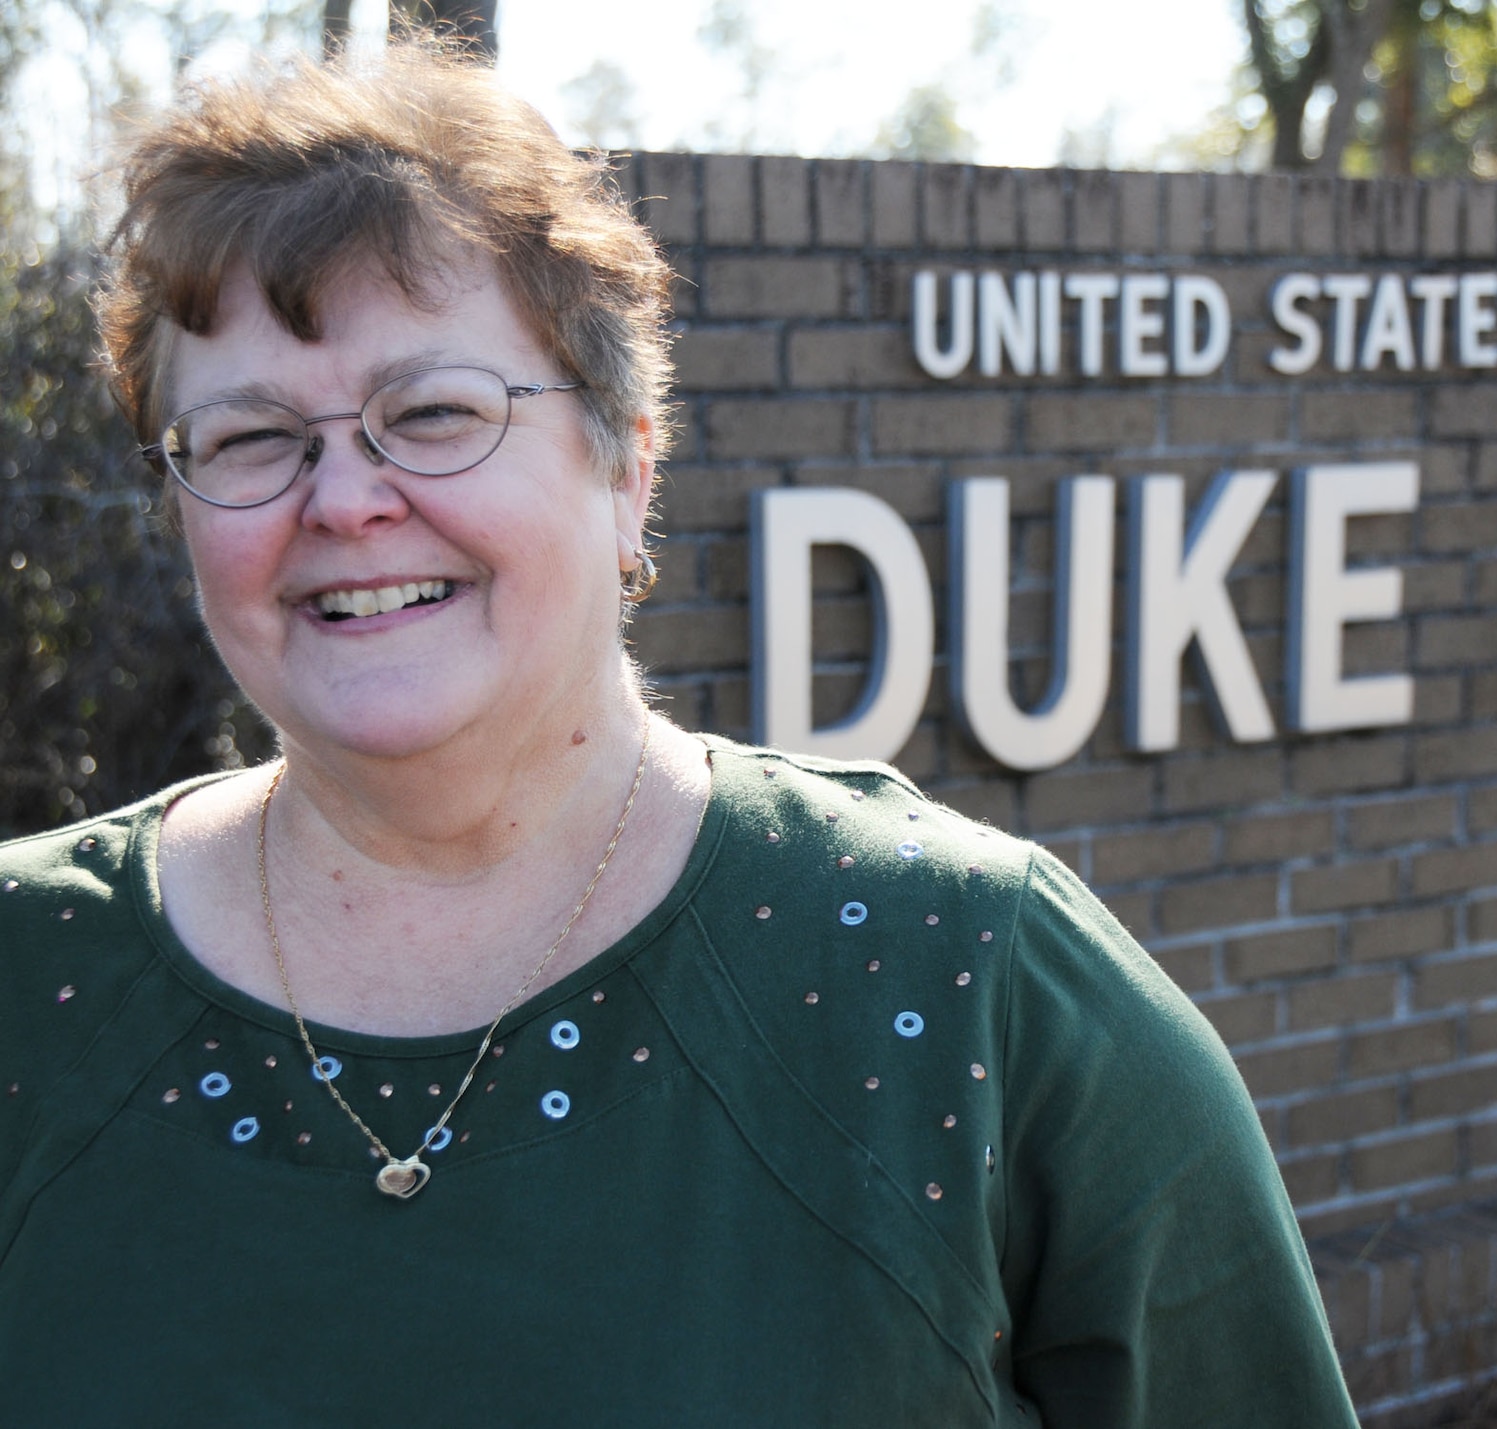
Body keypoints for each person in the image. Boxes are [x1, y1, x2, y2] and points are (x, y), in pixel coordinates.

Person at [0, 43, 1360, 1427]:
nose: (346, 496)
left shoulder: (973, 991)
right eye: (246, 437)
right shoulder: (26, 982)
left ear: (627, 469)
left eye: (435, 414)